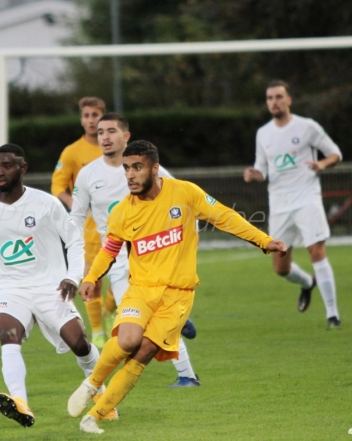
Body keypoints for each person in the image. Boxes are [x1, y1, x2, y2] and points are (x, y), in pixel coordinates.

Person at [68, 140, 287, 434]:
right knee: (128, 340)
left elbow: (225, 216)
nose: (130, 175)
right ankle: (92, 383)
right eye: (126, 168)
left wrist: (265, 240)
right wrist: (91, 279)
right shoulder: (121, 211)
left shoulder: (184, 192)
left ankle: (94, 416)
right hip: (141, 289)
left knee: (142, 354)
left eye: (137, 167)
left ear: (155, 169)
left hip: (178, 297)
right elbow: (109, 250)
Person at [0, 143, 113, 428]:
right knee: (8, 333)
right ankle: (21, 402)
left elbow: (74, 240)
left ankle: (102, 396)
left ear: (22, 167)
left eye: (6, 166)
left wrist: (72, 276)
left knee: (79, 342)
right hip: (11, 288)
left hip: (51, 286)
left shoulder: (45, 203)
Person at [71, 113, 200, 389]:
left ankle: (188, 376)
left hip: (154, 253)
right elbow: (76, 219)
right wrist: (81, 261)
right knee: (136, 325)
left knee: (153, 321)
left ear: (126, 136)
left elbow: (184, 200)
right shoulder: (88, 175)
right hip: (117, 258)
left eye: (111, 131)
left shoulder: (153, 169)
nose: (104, 136)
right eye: (101, 131)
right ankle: (183, 348)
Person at [243, 80, 342, 328]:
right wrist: (255, 174)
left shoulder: (307, 127)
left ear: (289, 100)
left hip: (307, 198)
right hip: (279, 204)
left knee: (316, 251)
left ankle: (333, 315)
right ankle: (307, 283)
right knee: (280, 267)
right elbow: (263, 169)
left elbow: (335, 154)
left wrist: (321, 164)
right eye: (270, 98)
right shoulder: (263, 134)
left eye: (278, 96)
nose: (274, 102)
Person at [51, 96, 113, 349]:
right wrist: (77, 204)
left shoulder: (113, 146)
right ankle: (98, 330)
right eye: (86, 115)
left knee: (127, 275)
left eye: (95, 115)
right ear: (81, 119)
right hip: (88, 228)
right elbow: (57, 185)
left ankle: (110, 311)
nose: (90, 120)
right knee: (93, 280)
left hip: (118, 223)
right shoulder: (72, 152)